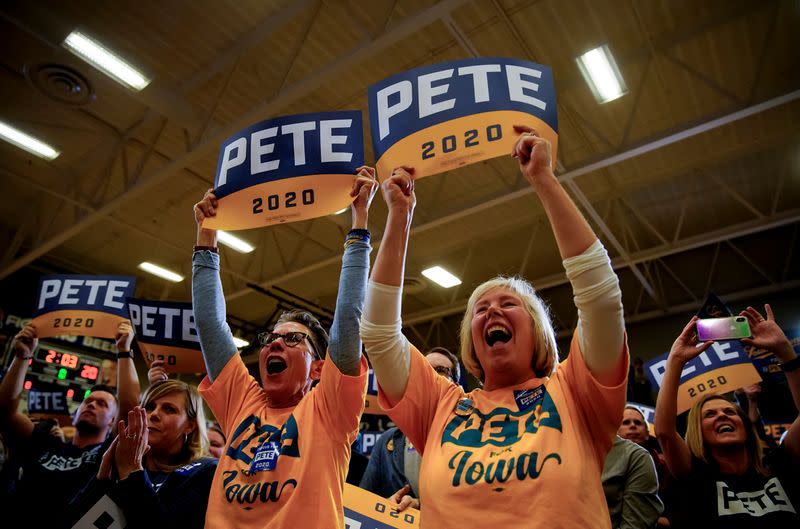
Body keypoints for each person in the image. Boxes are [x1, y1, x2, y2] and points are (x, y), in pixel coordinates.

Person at [360, 127, 628, 528]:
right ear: (472, 340)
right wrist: (399, 216)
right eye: (479, 310)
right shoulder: (440, 407)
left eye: (508, 304)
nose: (491, 312)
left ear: (538, 330)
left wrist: (544, 179)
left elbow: (602, 299)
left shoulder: (576, 392)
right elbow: (379, 333)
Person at [192, 167, 378, 527]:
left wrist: (360, 224)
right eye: (271, 338)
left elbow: (348, 322)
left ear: (319, 368)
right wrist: (206, 238)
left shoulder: (330, 408)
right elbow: (211, 326)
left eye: (292, 339)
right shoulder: (242, 401)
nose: (275, 343)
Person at [654, 305, 800, 527]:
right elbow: (664, 432)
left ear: (744, 424)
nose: (722, 415)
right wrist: (675, 360)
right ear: (698, 431)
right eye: (710, 414)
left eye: (730, 411)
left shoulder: (779, 463)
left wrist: (784, 351)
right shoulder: (696, 475)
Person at [0, 323, 121, 525]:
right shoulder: (47, 441)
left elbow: (128, 405)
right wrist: (22, 357)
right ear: (74, 414)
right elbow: (4, 413)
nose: (91, 405)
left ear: (113, 421)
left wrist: (124, 352)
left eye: (102, 404)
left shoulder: (107, 455)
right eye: (88, 401)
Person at [359, 347, 461, 510]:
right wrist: (385, 506)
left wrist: (422, 506)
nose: (430, 375)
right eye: (424, 369)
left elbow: (475, 503)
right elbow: (362, 504)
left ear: (455, 386)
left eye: (440, 370)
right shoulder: (386, 442)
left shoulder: (468, 440)